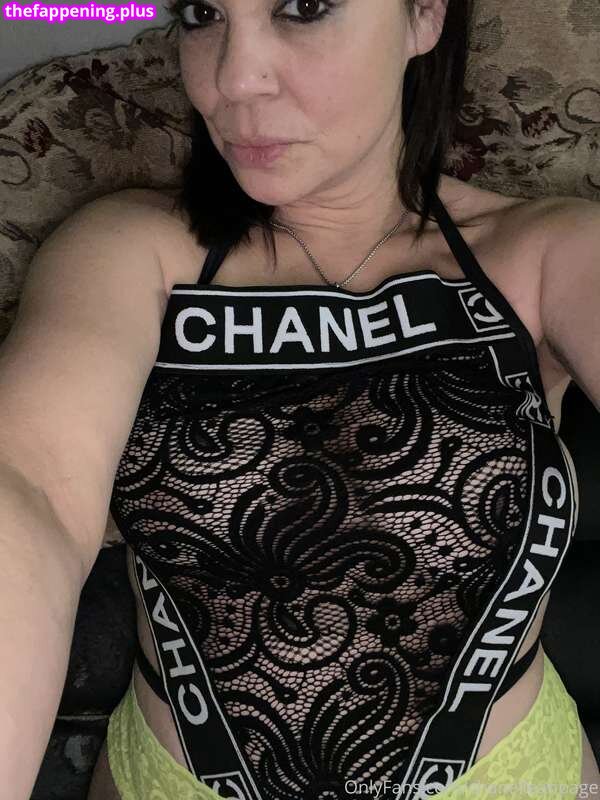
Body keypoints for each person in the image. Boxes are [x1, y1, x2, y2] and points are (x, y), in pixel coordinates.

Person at [1, 0, 599, 798]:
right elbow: (30, 485)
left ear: (424, 16)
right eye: (202, 13)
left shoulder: (548, 252)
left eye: (305, 7)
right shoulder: (128, 251)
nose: (233, 79)